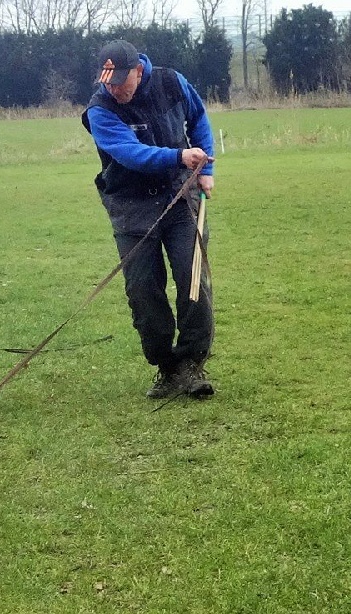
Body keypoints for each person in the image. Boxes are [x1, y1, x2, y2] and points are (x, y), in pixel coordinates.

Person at [81, 39, 216, 400]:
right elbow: (132, 154)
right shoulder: (99, 110)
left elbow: (198, 118)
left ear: (139, 71)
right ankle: (166, 366)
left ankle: (191, 364)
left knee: (193, 279)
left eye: (122, 81)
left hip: (179, 196)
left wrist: (207, 166)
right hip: (130, 206)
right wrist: (179, 156)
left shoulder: (172, 82)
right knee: (143, 290)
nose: (115, 89)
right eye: (108, 82)